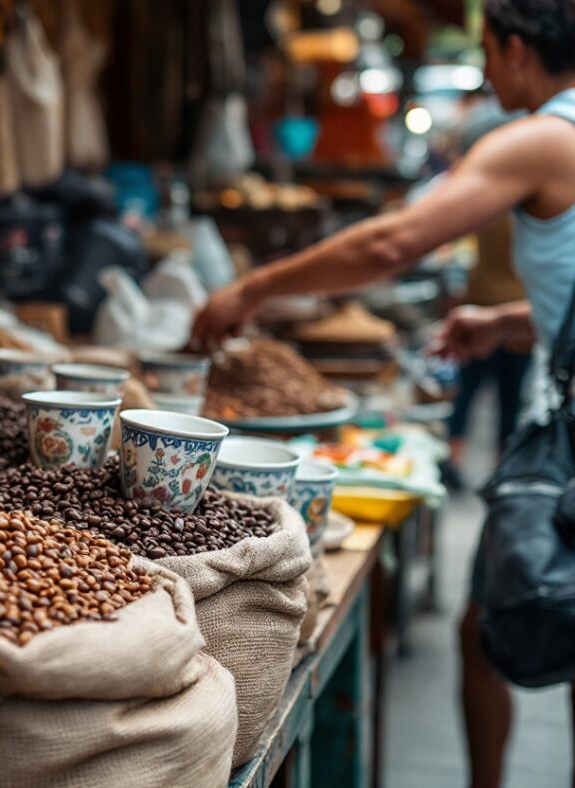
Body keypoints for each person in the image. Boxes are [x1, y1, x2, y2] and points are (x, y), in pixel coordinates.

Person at [192, 1, 575, 785]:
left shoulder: (544, 136)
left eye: (490, 57)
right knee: (492, 622)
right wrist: (508, 322)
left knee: (502, 620)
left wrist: (250, 291)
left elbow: (394, 240)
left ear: (514, 50)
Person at [442, 98, 531, 489]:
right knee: (509, 401)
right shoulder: (530, 206)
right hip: (518, 317)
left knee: (468, 394)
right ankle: (501, 469)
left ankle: (454, 458)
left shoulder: (489, 202)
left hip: (484, 306)